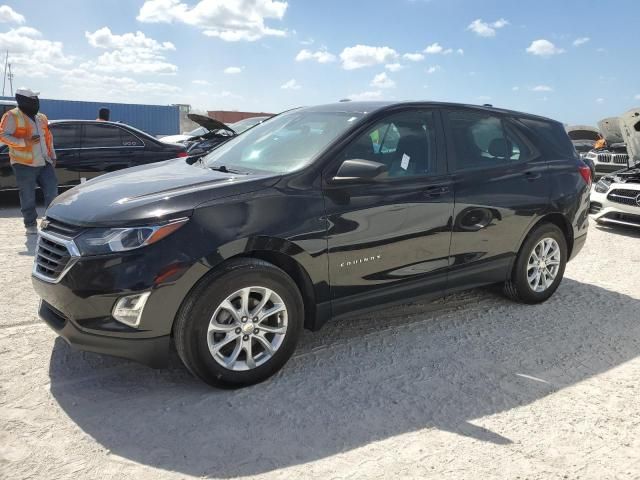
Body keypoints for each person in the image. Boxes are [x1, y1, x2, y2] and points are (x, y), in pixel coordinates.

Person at [0, 88, 57, 234]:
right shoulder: (11, 116)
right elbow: (3, 136)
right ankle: (30, 224)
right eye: (33, 99)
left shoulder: (41, 117)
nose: (36, 102)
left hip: (45, 162)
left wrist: (52, 156)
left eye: (36, 99)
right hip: (24, 164)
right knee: (28, 196)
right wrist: (24, 141)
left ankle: (52, 221)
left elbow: (48, 138)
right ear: (22, 100)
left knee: (52, 193)